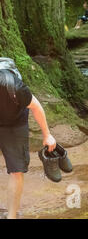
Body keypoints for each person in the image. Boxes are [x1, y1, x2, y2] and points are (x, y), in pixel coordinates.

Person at [0, 69, 56, 219]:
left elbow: (36, 107)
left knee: (16, 169)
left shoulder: (16, 87)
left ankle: (11, 216)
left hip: (15, 123)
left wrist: (47, 135)